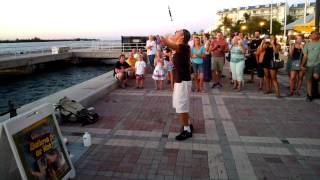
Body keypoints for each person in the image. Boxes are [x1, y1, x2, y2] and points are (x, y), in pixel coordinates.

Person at [160, 29, 193, 141]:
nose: (175, 31)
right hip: (181, 80)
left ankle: (187, 130)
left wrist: (165, 39)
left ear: (182, 36)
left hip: (182, 81)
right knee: (182, 105)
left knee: (182, 106)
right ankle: (188, 124)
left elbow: (168, 43)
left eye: (177, 32)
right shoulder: (180, 47)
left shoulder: (184, 46)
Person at [301, 31, 320, 102]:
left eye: (315, 34)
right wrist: (302, 65)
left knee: (316, 76)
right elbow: (305, 56)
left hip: (317, 64)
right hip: (309, 65)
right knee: (309, 80)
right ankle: (309, 95)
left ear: (318, 36)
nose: (313, 35)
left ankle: (315, 92)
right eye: (312, 34)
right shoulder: (307, 44)